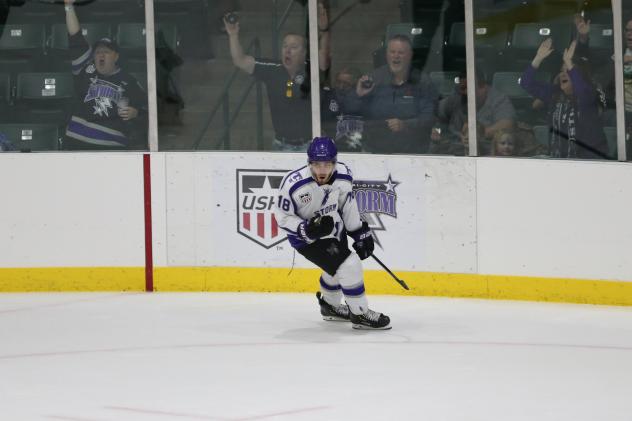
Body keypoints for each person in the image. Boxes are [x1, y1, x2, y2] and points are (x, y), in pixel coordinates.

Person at [274, 136, 391, 330]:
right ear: (309, 163)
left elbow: (347, 205)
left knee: (337, 269)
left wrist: (360, 233)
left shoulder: (344, 175)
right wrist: (306, 229)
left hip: (333, 229)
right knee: (349, 264)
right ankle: (360, 313)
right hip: (306, 239)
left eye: (327, 164)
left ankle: (331, 306)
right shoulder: (293, 184)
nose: (322, 170)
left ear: (334, 163)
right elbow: (282, 217)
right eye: (316, 164)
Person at [223, 2, 330, 151]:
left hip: (310, 145)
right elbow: (240, 60)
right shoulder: (273, 69)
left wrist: (324, 31)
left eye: (293, 47)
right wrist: (233, 35)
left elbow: (324, 61)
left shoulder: (311, 69)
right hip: (281, 145)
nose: (287, 50)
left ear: (305, 52)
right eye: (285, 46)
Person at [62, 0, 147, 150]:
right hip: (77, 142)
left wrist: (136, 113)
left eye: (106, 52)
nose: (101, 55)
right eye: (98, 52)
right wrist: (69, 6)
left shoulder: (129, 81)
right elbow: (75, 36)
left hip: (110, 146)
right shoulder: (85, 67)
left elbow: (151, 114)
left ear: (116, 57)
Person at [343, 34, 438, 154]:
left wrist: (405, 125)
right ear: (387, 54)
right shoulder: (374, 78)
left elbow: (429, 118)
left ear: (409, 55)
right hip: (376, 152)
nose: (396, 56)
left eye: (401, 52)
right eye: (392, 52)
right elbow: (350, 111)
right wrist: (358, 95)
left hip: (412, 154)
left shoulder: (422, 81)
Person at [520, 38, 609, 159]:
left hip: (589, 163)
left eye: (569, 71)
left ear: (580, 75)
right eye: (562, 70)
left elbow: (582, 91)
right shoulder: (554, 93)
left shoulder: (590, 95)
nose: (563, 74)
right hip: (559, 161)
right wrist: (538, 58)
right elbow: (526, 83)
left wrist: (569, 61)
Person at [430, 69, 516, 156]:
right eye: (462, 88)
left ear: (483, 88)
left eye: (469, 88)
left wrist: (477, 134)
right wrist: (436, 131)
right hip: (453, 152)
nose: (465, 92)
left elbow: (508, 124)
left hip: (486, 154)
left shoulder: (498, 99)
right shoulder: (456, 97)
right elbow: (435, 116)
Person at [321, 67, 364, 152]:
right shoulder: (327, 96)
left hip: (354, 146)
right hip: (328, 145)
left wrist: (356, 96)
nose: (341, 86)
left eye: (346, 84)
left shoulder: (360, 98)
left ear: (355, 85)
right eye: (338, 82)